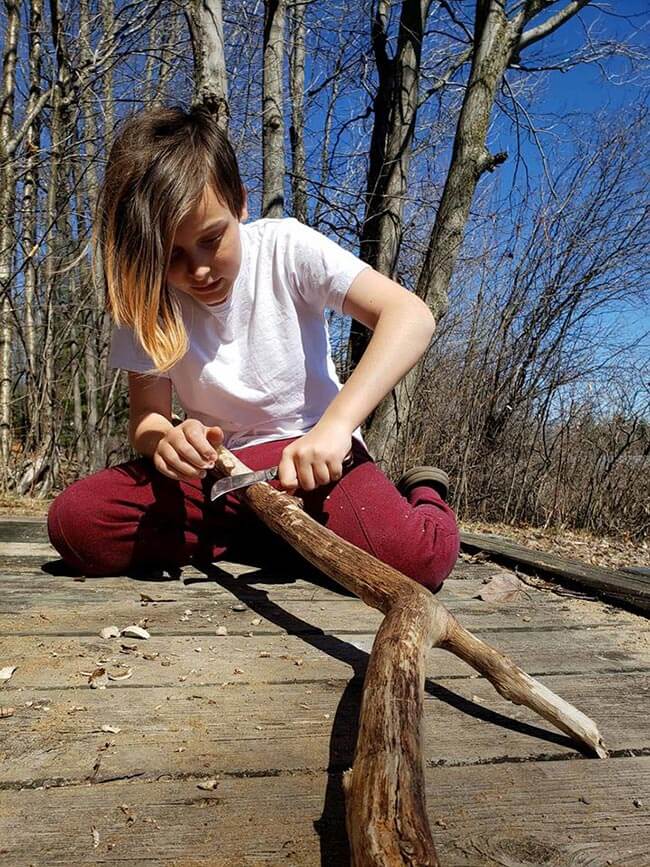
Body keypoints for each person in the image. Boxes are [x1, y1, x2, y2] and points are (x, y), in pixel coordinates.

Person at [47, 104, 460, 590]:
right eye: (172, 255)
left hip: (312, 462)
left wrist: (336, 428)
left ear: (240, 204)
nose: (198, 270)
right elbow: (148, 419)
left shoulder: (286, 248)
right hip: (217, 477)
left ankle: (424, 489)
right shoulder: (148, 298)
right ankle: (277, 535)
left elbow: (410, 316)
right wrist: (166, 442)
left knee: (419, 561)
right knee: (77, 524)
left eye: (210, 239)